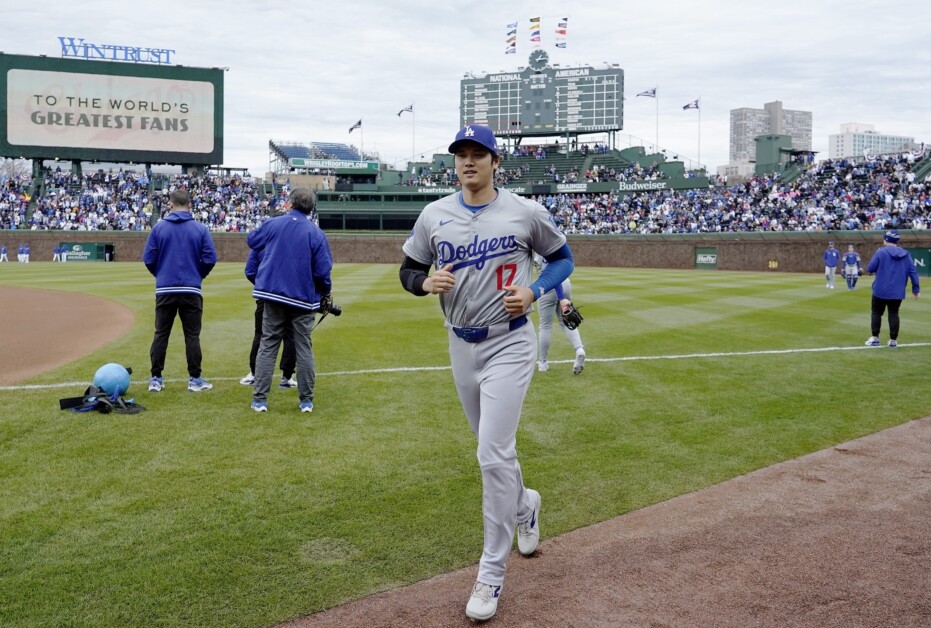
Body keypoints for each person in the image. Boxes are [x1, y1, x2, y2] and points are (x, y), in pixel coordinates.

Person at [399, 124, 574, 622]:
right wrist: (422, 281)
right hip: (460, 342)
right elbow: (409, 271)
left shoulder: (524, 211)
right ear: (454, 163)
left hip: (511, 340)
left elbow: (563, 260)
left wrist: (537, 290)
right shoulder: (435, 214)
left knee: (491, 453)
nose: (469, 161)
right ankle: (525, 505)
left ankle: (491, 573)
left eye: (479, 154)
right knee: (492, 451)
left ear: (497, 162)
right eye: (462, 154)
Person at [246, 187, 333, 413]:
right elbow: (323, 272)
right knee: (303, 347)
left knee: (269, 343)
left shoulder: (273, 224)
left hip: (273, 293)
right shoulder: (316, 233)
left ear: (290, 203)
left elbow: (252, 241)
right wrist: (326, 293)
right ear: (311, 208)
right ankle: (306, 401)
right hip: (303, 298)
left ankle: (260, 400)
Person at [142, 188, 218, 392]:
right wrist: (198, 274)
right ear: (190, 205)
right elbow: (210, 258)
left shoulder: (159, 228)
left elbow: (148, 259)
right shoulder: (200, 229)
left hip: (165, 288)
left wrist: (162, 274)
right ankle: (195, 379)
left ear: (171, 204)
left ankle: (156, 378)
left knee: (161, 333)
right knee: (192, 335)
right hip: (191, 289)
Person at [241, 248, 298, 389]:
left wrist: (264, 285)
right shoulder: (291, 237)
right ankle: (287, 377)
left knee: (261, 334)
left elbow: (250, 271)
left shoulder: (262, 241)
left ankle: (255, 374)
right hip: (291, 295)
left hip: (267, 295)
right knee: (290, 335)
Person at [864, 230, 919, 348]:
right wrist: (916, 289)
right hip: (897, 291)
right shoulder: (906, 254)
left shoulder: (881, 252)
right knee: (894, 314)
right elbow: (913, 272)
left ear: (886, 239)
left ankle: (875, 338)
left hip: (880, 290)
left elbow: (870, 268)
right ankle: (893, 340)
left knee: (876, 313)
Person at [534, 254, 586, 374]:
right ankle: (579, 349)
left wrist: (561, 297)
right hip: (566, 283)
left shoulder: (539, 246)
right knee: (566, 321)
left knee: (545, 326)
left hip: (549, 285)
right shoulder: (555, 242)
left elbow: (552, 273)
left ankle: (543, 363)